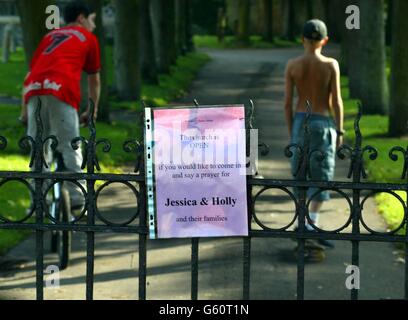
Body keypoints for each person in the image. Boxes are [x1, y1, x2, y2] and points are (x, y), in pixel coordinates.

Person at [20, 0, 101, 210]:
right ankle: (77, 199)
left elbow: (30, 73)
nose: (94, 25)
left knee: (39, 147)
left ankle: (39, 202)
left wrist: (24, 110)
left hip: (34, 90)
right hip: (61, 89)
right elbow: (94, 80)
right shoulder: (89, 38)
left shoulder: (49, 36)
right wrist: (92, 110)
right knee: (70, 143)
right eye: (93, 20)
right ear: (82, 18)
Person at [284, 19, 345, 249]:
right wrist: (340, 131)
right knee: (321, 175)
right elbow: (337, 101)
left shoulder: (292, 65)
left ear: (303, 39)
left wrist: (293, 133)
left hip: (301, 120)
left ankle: (302, 222)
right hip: (322, 121)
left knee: (300, 173)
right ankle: (312, 223)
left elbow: (287, 104)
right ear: (325, 40)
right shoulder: (331, 65)